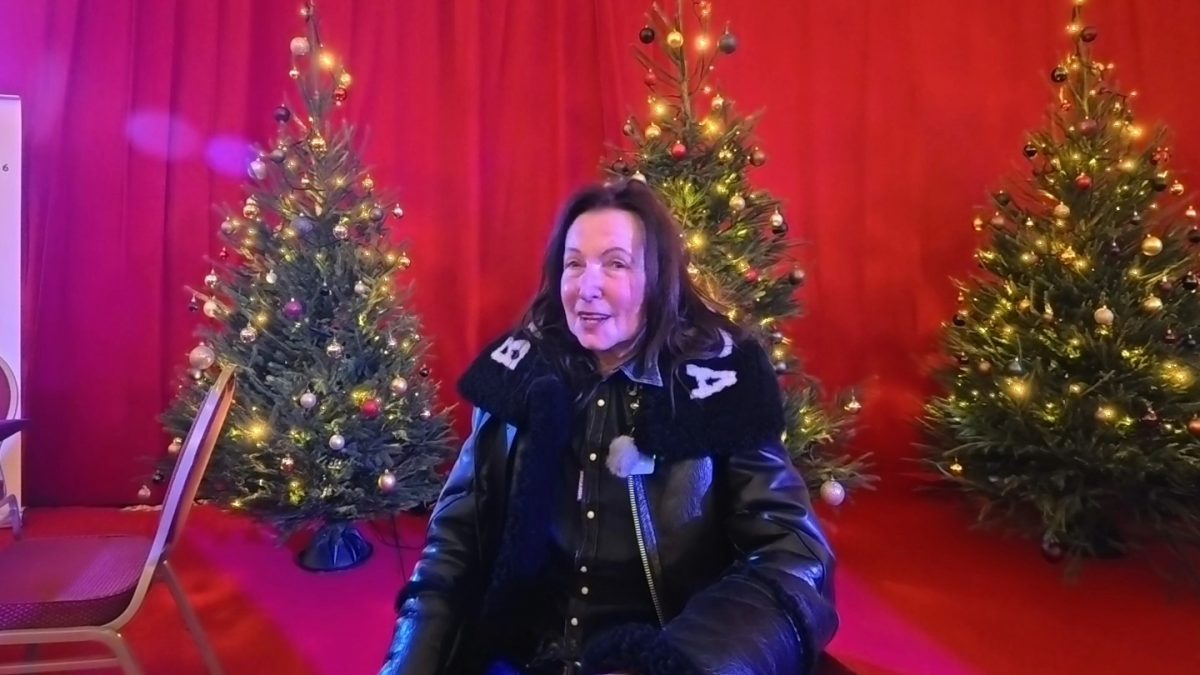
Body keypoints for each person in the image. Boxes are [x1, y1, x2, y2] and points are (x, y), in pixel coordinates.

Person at [382, 180, 837, 675]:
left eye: (615, 264)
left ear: (658, 278)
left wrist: (673, 665)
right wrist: (410, 664)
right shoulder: (516, 374)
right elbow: (454, 545)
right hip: (527, 657)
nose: (587, 287)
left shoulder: (722, 381)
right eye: (574, 264)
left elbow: (793, 556)